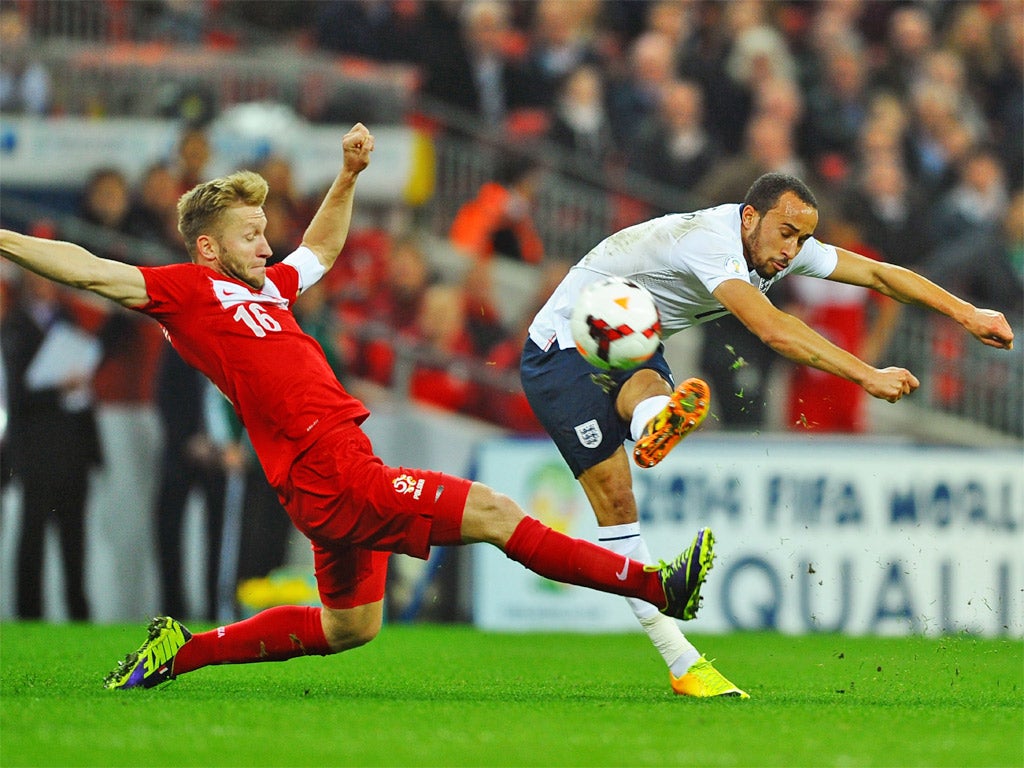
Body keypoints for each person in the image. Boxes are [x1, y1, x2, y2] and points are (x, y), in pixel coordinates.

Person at [0, 123, 711, 691]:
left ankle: (180, 652)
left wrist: (347, 176)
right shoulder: (186, 290)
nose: (267, 242)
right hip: (329, 468)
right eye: (251, 234)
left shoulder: (268, 288)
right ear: (209, 247)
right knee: (495, 512)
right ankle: (653, 585)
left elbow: (320, 246)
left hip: (328, 469)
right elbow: (89, 268)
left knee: (351, 628)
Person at [519, 171, 1014, 698]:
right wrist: (866, 374)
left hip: (628, 335)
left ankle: (653, 425)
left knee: (643, 381)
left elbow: (878, 274)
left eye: (802, 238)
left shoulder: (777, 243)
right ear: (750, 217)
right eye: (786, 234)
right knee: (617, 498)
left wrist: (967, 312)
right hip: (562, 344)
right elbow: (774, 328)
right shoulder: (712, 241)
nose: (793, 249)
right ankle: (681, 661)